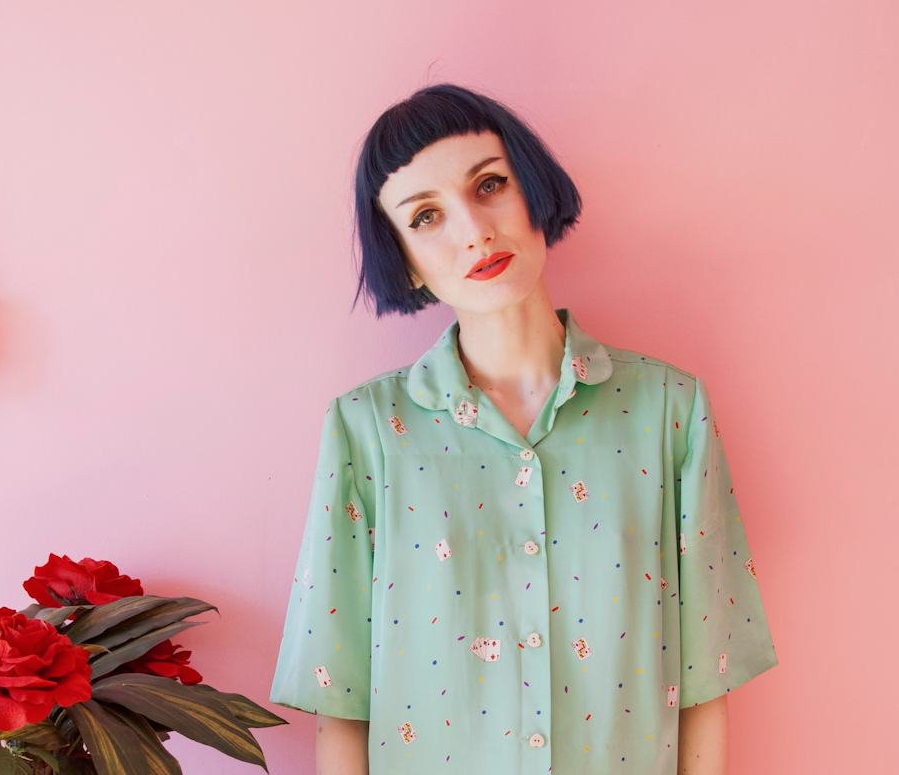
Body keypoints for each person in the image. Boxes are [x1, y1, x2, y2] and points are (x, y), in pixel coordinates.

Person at [268, 83, 778, 774]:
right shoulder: (368, 432)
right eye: (425, 218)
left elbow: (704, 682)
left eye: (489, 186)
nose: (474, 232)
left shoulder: (669, 411)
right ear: (406, 263)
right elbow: (343, 702)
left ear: (532, 188)